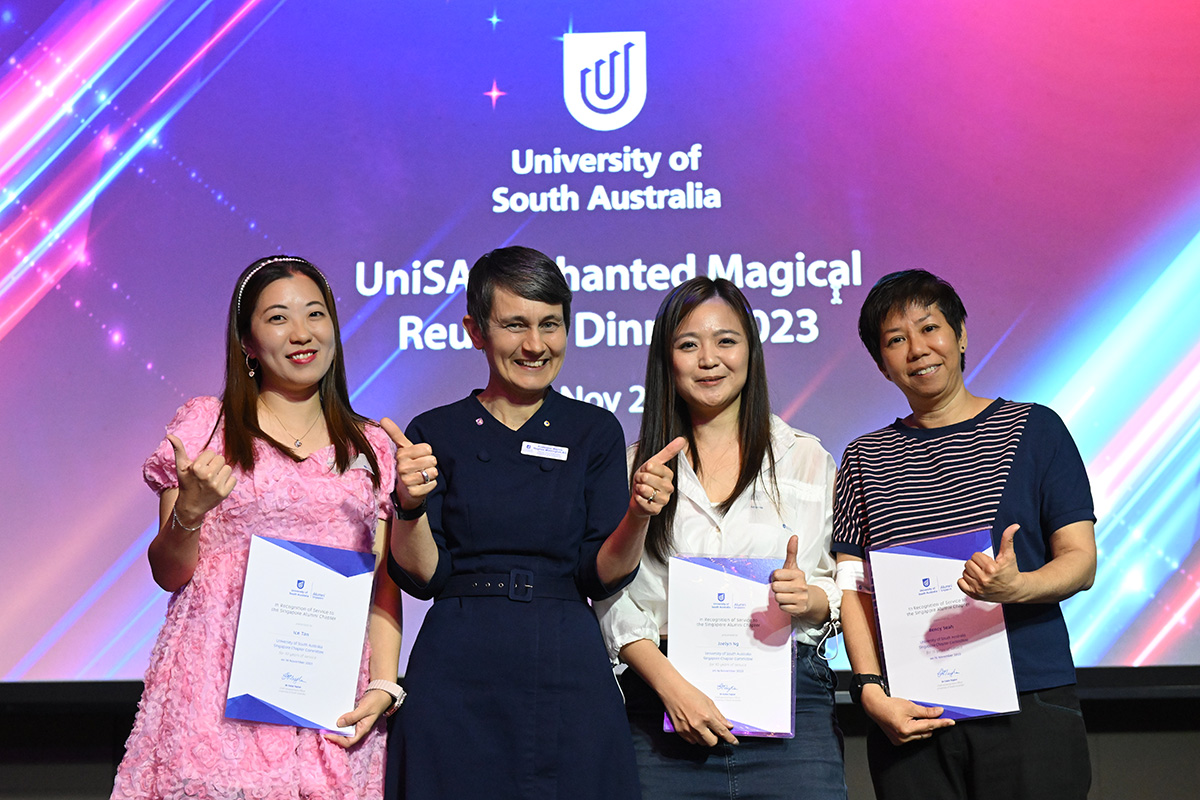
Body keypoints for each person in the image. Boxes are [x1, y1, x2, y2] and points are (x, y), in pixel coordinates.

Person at [382, 245, 684, 800]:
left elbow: (601, 575)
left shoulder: (594, 430)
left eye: (551, 324)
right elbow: (425, 577)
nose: (535, 345)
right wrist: (409, 506)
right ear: (475, 331)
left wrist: (639, 516)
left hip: (567, 661)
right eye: (515, 325)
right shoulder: (435, 431)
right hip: (457, 663)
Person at [111, 256, 403, 800]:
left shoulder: (373, 447)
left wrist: (384, 684)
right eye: (278, 318)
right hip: (216, 692)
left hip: (328, 695)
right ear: (246, 342)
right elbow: (169, 573)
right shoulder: (208, 426)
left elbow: (383, 579)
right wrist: (189, 513)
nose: (302, 333)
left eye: (315, 314)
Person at [832, 269, 1096, 800]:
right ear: (882, 364)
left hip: (1028, 697)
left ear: (961, 335)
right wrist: (869, 690)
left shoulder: (1035, 429)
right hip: (913, 711)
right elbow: (853, 588)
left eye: (930, 328)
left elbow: (1080, 560)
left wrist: (1016, 587)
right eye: (895, 340)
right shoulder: (863, 458)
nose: (917, 350)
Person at [594, 277, 847, 799]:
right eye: (689, 344)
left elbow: (837, 585)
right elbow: (610, 597)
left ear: (750, 350)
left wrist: (810, 598)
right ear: (667, 360)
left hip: (792, 710)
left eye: (726, 341)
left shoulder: (805, 458)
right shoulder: (632, 469)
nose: (709, 359)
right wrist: (671, 688)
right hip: (662, 712)